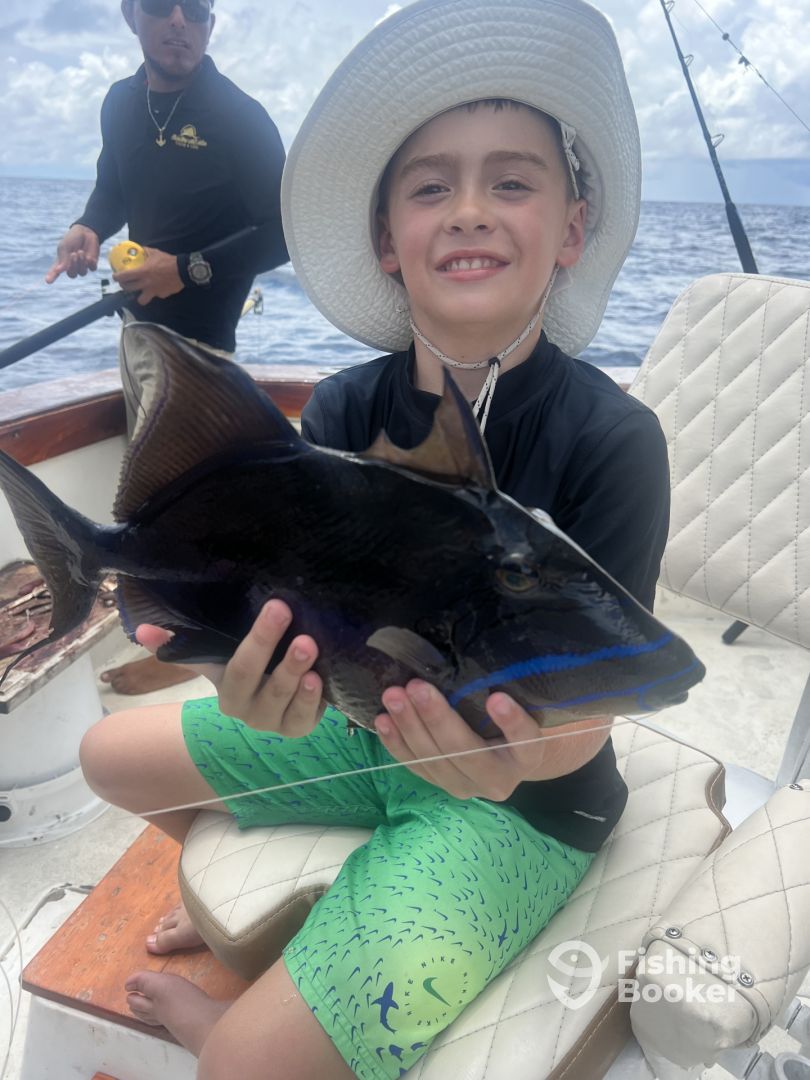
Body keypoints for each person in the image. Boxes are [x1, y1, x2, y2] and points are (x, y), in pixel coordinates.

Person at [79, 0, 670, 1077]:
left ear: (572, 230)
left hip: (527, 805)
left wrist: (512, 763)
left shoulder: (614, 440)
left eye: (513, 182)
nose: (470, 210)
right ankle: (261, 922)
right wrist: (242, 680)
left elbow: (590, 718)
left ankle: (248, 995)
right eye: (431, 186)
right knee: (104, 756)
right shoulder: (344, 409)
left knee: (236, 1067)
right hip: (358, 732)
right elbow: (290, 623)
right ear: (387, 240)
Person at [46, 0, 289, 695]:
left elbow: (283, 231)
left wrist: (185, 269)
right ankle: (175, 631)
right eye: (161, 5)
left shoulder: (239, 116)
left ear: (211, 23)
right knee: (155, 501)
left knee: (195, 508)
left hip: (203, 356)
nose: (180, 20)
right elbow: (113, 187)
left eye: (198, 10)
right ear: (132, 16)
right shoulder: (121, 104)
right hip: (138, 336)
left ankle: (196, 644)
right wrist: (88, 227)